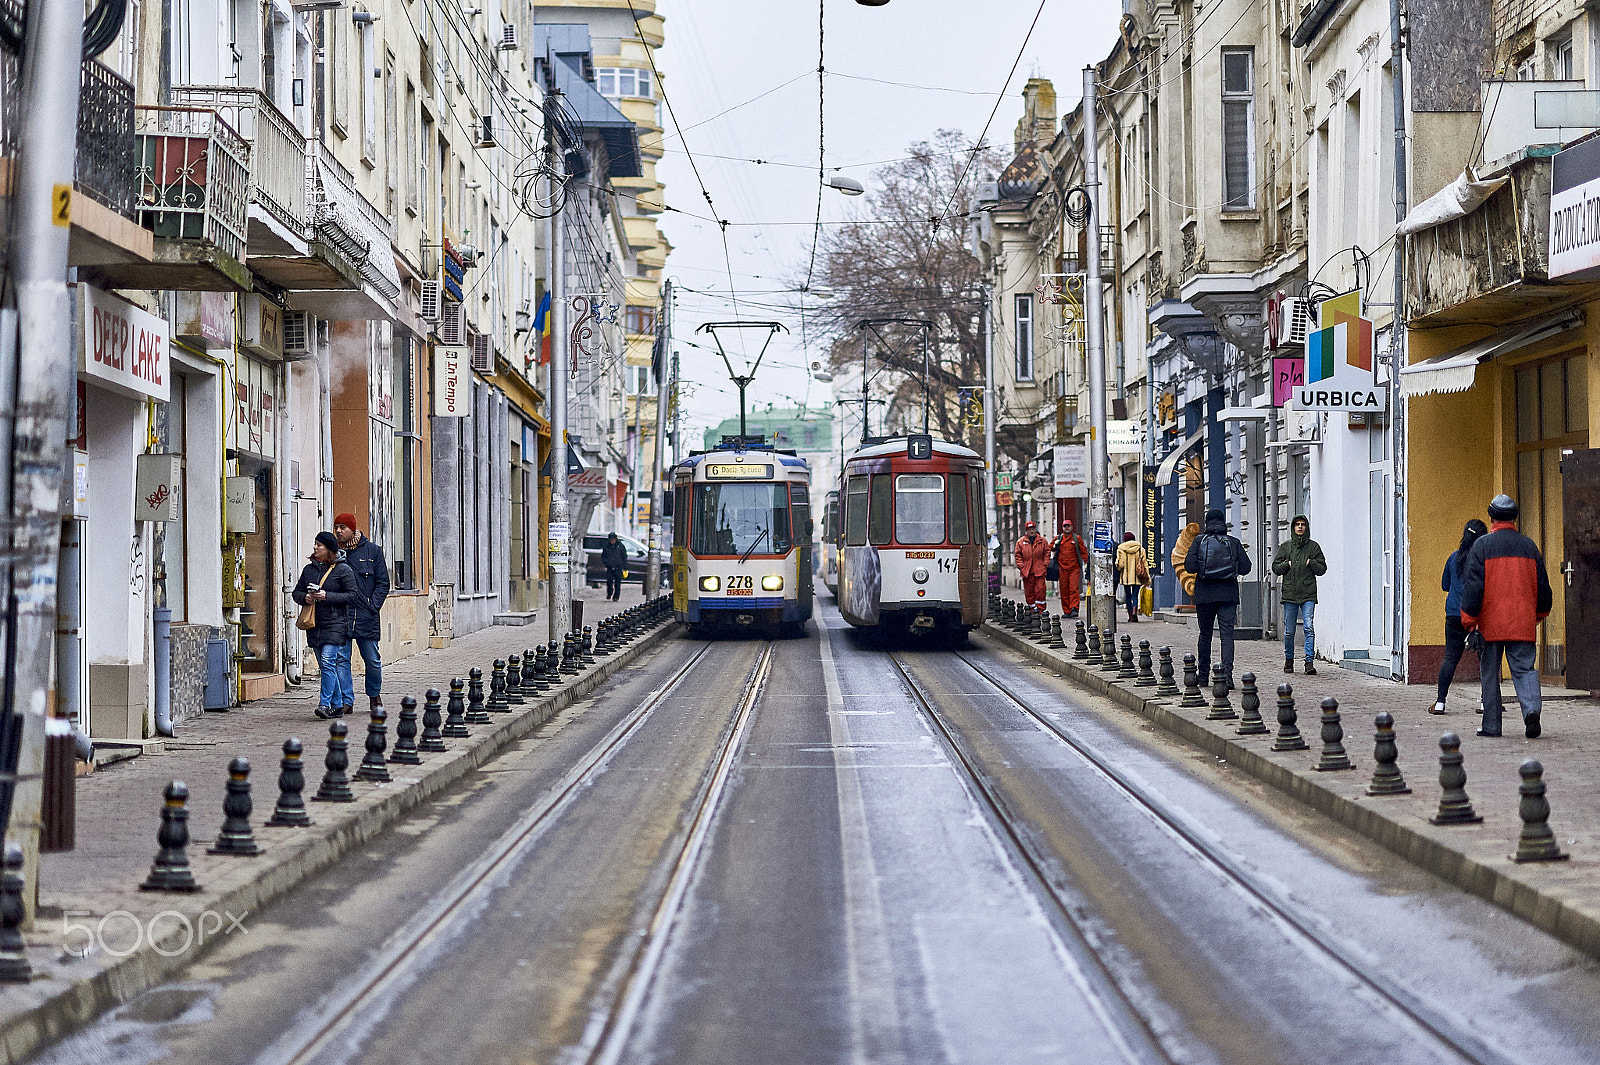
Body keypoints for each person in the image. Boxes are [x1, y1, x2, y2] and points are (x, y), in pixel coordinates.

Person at [1461, 495, 1552, 739]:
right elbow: (1542, 587)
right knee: (1524, 670)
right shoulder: (1529, 546)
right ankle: (1531, 711)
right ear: (1515, 517)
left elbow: (1473, 588)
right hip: (1522, 621)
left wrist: (1469, 621)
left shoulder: (1482, 546)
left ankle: (1491, 725)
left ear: (1491, 517)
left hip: (1489, 623)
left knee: (1490, 673)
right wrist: (1539, 614)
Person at [293, 531, 359, 719]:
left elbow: (353, 596)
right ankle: (338, 705)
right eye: (315, 544)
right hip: (314, 623)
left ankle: (325, 703)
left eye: (319, 545)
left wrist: (326, 596)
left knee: (329, 661)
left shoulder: (343, 570)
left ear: (329, 549)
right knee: (325, 666)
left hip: (336, 623)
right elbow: (296, 592)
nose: (315, 547)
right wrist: (305, 597)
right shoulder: (309, 570)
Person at [1183, 509, 1252, 689]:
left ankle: (1203, 677)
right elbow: (1246, 568)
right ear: (1223, 523)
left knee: (1205, 635)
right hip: (1228, 594)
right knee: (1227, 635)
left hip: (1204, 595)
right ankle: (1227, 677)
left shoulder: (1199, 541)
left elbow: (1189, 567)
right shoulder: (1233, 542)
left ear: (1207, 523)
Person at [334, 512, 390, 711]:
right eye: (336, 527)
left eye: (343, 527)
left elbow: (383, 583)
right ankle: (346, 700)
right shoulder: (334, 554)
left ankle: (374, 696)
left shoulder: (373, 551)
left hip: (366, 615)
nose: (339, 531)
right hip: (341, 616)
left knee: (372, 659)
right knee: (341, 659)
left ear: (353, 529)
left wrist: (372, 605)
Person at [1432, 519, 1488, 715]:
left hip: (1454, 614)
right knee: (1485, 658)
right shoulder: (1483, 560)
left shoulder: (1453, 557)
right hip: (1477, 615)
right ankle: (1484, 702)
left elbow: (1445, 585)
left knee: (1450, 658)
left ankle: (1440, 702)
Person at [1271, 514, 1327, 675]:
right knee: (1289, 631)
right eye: (1297, 525)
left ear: (1306, 527)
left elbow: (1322, 568)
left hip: (1308, 593)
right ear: (1293, 528)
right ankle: (1289, 660)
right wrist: (1286, 564)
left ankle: (1309, 662)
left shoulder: (1313, 547)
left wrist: (1312, 562)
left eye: (1303, 524)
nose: (1300, 527)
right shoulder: (1286, 547)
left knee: (1308, 627)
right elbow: (1275, 567)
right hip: (1290, 593)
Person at [1053, 519, 1088, 617]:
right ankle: (1066, 610)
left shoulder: (1076, 538)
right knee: (1064, 590)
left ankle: (1074, 609)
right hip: (1062, 568)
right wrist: (1055, 544)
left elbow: (1083, 552)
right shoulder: (1059, 538)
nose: (1067, 528)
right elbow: (1050, 547)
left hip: (1074, 568)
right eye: (1065, 526)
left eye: (1068, 526)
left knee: (1073, 589)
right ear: (1062, 527)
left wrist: (1087, 564)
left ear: (1072, 527)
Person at [1014, 521, 1052, 611]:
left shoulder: (1042, 541)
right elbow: (1018, 555)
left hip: (1039, 570)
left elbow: (1047, 552)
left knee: (1040, 591)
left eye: (1033, 529)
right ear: (1026, 531)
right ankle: (1031, 610)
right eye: (1029, 529)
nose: (1031, 531)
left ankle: (1041, 609)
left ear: (1035, 530)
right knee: (1029, 592)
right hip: (1027, 571)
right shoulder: (1021, 542)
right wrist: (1021, 566)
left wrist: (1045, 564)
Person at [1114, 532, 1148, 623]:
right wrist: (1147, 577)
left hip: (1126, 577)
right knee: (1135, 595)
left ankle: (1130, 616)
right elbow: (1145, 564)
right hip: (1138, 576)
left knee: (1128, 596)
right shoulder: (1140, 549)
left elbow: (1120, 564)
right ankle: (1134, 611)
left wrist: (1117, 566)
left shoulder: (1121, 549)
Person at [601, 532, 628, 601]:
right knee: (609, 582)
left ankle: (616, 596)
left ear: (616, 539)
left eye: (613, 539)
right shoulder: (606, 546)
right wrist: (607, 563)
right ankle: (609, 593)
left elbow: (624, 557)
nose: (612, 541)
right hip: (610, 567)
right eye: (611, 540)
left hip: (618, 567)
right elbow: (603, 556)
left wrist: (625, 567)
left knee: (617, 583)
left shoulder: (620, 546)